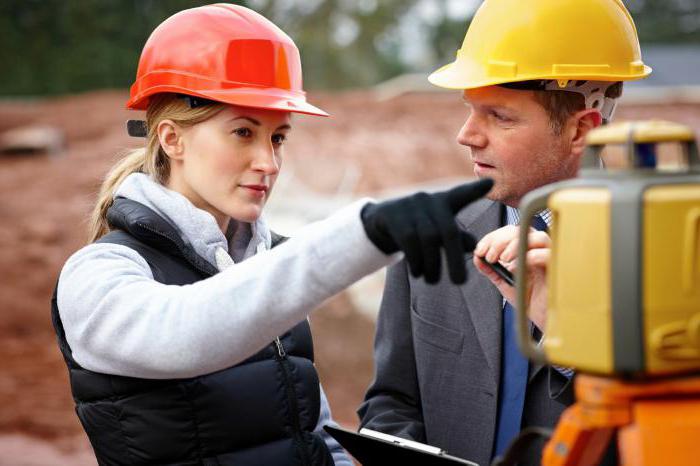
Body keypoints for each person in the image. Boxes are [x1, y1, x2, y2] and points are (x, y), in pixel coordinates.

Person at [50, 4, 493, 466]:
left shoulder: (269, 261)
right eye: (243, 132)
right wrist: (363, 234)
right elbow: (186, 333)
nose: (268, 162)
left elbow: (308, 432)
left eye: (278, 137)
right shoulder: (98, 273)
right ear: (171, 139)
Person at [358, 1, 651, 465]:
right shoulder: (432, 235)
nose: (467, 135)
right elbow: (390, 403)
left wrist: (572, 343)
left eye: (500, 116)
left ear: (582, 131)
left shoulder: (667, 257)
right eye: (471, 110)